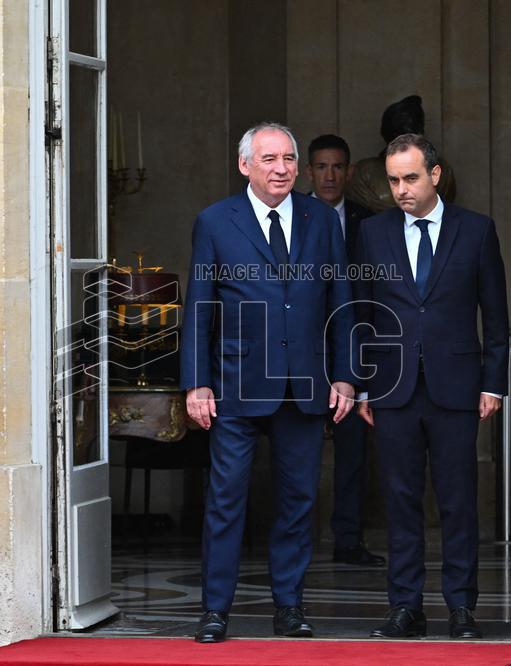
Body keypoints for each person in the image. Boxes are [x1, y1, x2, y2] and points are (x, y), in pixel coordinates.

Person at [181, 122, 356, 643]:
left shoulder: (322, 220)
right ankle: (215, 611)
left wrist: (345, 376)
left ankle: (290, 607)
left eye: (287, 159)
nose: (281, 169)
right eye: (269, 159)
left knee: (298, 501)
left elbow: (341, 301)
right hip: (235, 384)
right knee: (226, 499)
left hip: (304, 384)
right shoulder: (215, 221)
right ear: (245, 165)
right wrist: (196, 383)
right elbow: (199, 308)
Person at [353, 134, 507, 640]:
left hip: (458, 387)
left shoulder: (476, 231)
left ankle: (461, 607)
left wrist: (494, 383)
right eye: (394, 180)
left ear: (434, 175)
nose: (401, 189)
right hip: (393, 388)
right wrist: (363, 385)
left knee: (459, 500)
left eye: (411, 178)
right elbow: (363, 314)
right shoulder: (372, 233)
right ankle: (406, 607)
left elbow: (496, 316)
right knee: (399, 501)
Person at [305, 134, 384, 567]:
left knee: (353, 450)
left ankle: (348, 540)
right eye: (321, 166)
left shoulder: (369, 222)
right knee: (296, 448)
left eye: (338, 167)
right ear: (308, 172)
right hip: (300, 352)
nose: (330, 175)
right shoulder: (291, 214)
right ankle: (295, 540)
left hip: (354, 348)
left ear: (349, 172)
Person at [347, 95, 456, 212]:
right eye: (408, 130)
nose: (418, 133)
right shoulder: (365, 172)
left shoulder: (443, 171)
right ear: (391, 133)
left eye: (419, 127)